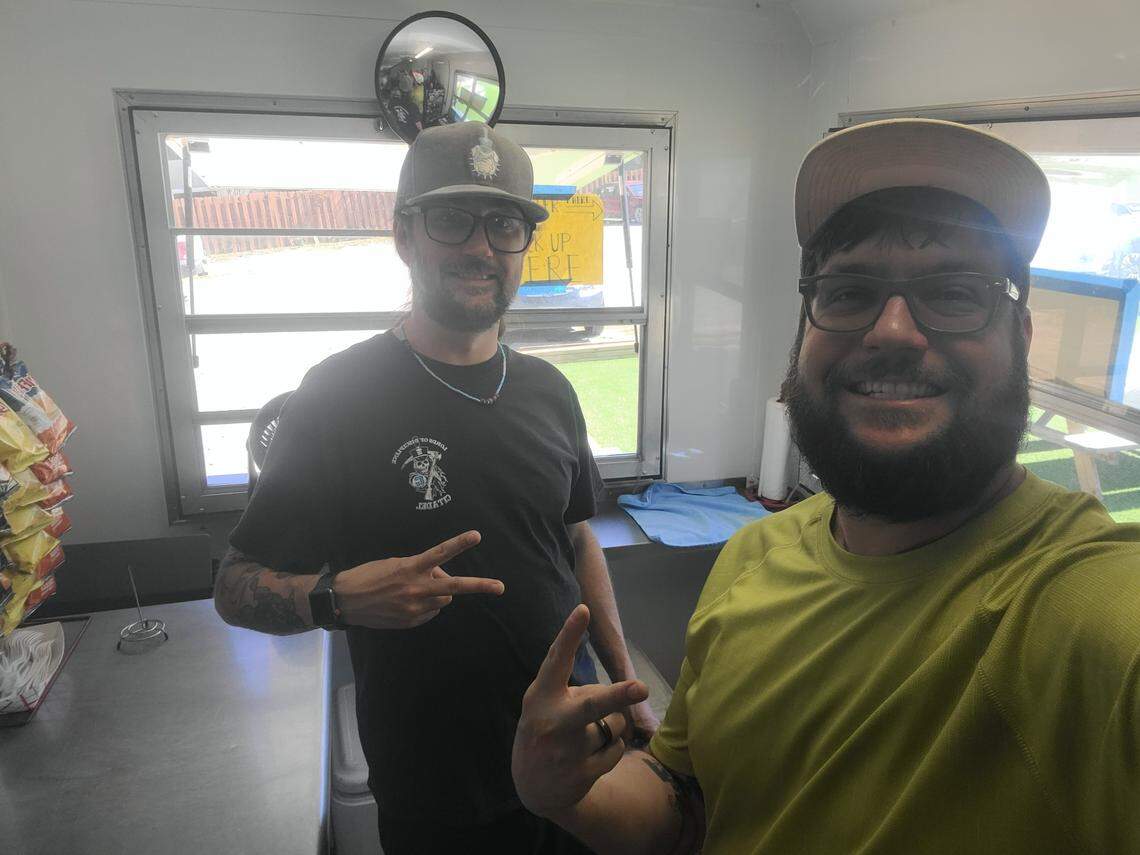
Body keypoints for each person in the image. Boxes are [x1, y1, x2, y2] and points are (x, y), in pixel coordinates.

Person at [510, 118, 1140, 854]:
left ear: (1022, 336)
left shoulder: (1081, 608)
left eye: (955, 292)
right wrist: (567, 794)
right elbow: (689, 805)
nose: (893, 329)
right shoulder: (753, 557)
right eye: (849, 292)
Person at [214, 121, 657, 854]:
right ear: (403, 236)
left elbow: (577, 540)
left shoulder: (550, 390)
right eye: (452, 219)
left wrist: (626, 679)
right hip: (439, 790)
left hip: (575, 758)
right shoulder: (336, 396)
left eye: (504, 224)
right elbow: (233, 586)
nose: (481, 247)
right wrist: (337, 598)